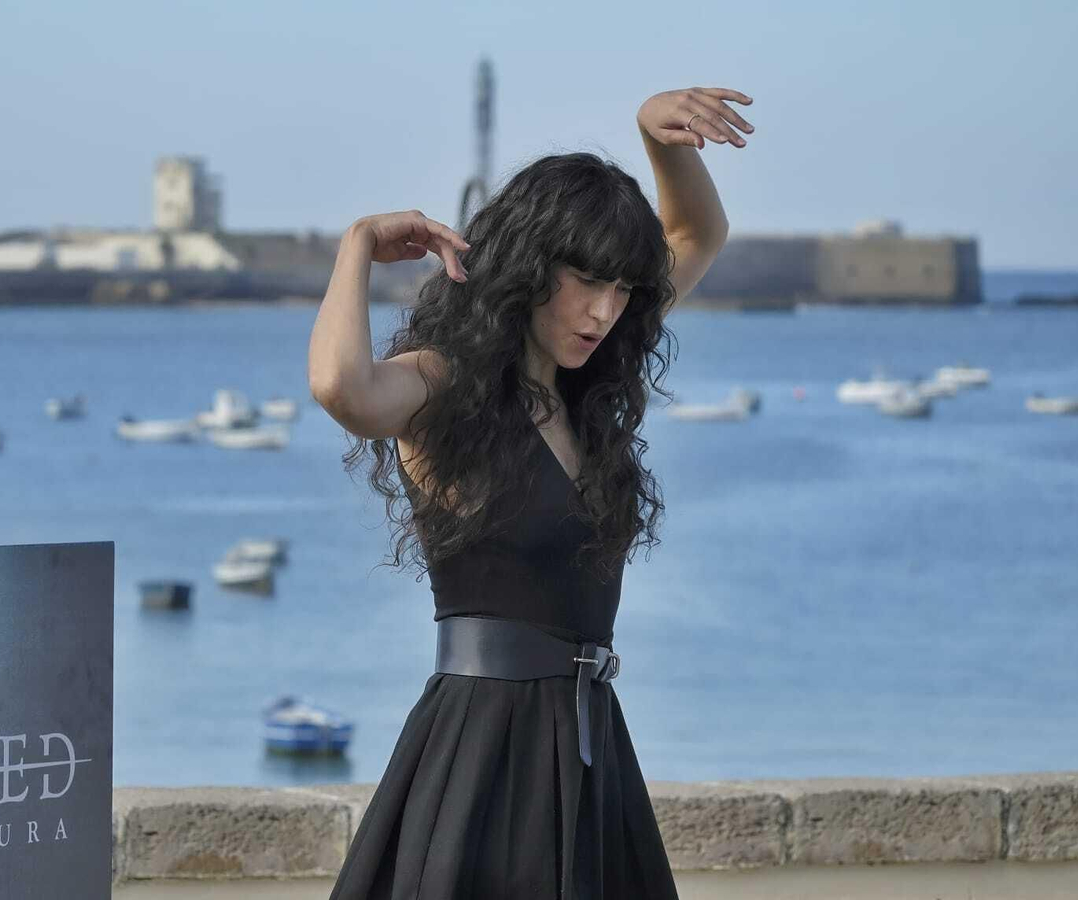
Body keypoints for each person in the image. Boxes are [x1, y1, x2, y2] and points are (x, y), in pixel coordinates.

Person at [306, 85, 755, 899]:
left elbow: (697, 234)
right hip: (482, 757)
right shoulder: (445, 385)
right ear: (526, 266)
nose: (604, 310)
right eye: (585, 280)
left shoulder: (589, 390)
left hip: (591, 751)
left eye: (622, 289)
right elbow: (343, 389)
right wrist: (358, 244)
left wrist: (658, 139)